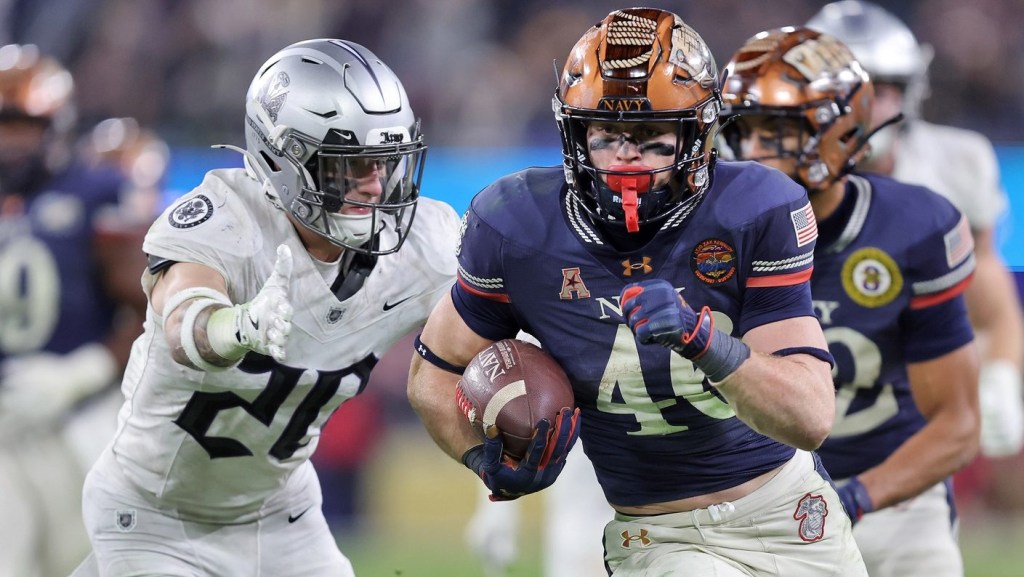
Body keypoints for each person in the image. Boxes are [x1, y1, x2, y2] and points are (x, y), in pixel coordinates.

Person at [408, 8, 867, 576]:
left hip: (790, 511)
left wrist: (704, 341)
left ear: (697, 137)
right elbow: (433, 371)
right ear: (575, 133)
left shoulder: (756, 210)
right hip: (660, 534)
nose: (625, 158)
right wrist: (478, 457)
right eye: (606, 135)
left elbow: (810, 416)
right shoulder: (514, 225)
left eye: (651, 138)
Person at [71, 38, 460, 577]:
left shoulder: (427, 243)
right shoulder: (227, 218)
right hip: (157, 515)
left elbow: (504, 310)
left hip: (281, 511)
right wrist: (238, 327)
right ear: (284, 159)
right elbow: (182, 318)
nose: (375, 185)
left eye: (386, 162)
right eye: (349, 166)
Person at [720, 26, 981, 577]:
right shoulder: (716, 234)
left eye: (778, 130)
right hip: (756, 498)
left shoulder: (911, 228)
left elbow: (957, 423)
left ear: (838, 131)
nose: (753, 150)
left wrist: (857, 497)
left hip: (891, 494)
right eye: (745, 130)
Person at [807, 0, 1024, 459]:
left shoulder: (956, 164)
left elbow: (988, 295)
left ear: (909, 92)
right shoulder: (767, 169)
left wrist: (1002, 374)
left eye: (879, 90)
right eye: (845, 92)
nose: (862, 110)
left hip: (910, 379)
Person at [0, 44, 147, 577]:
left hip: (84, 415)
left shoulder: (96, 193)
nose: (9, 143)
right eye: (2, 126)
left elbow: (156, 310)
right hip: (5, 425)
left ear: (54, 128)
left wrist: (81, 371)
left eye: (21, 127)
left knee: (95, 562)